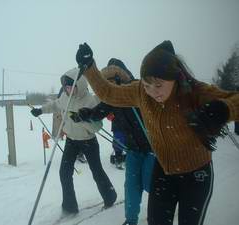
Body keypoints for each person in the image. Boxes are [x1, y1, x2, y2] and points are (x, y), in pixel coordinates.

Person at [75, 41, 239, 225]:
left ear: (175, 78)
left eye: (158, 85)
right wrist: (89, 67)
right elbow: (109, 93)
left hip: (196, 175)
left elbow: (235, 99)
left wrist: (225, 109)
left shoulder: (196, 92)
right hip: (164, 170)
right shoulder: (140, 92)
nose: (152, 91)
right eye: (146, 84)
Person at [71, 58, 155, 225]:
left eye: (111, 83)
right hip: (133, 150)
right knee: (131, 187)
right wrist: (84, 114)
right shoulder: (112, 99)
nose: (108, 89)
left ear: (121, 78)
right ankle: (130, 221)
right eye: (105, 84)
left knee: (150, 184)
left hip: (153, 149)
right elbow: (98, 112)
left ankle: (160, 214)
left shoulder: (139, 90)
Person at [30, 67, 117, 214]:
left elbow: (97, 127)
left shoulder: (90, 100)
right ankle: (70, 206)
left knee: (97, 172)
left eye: (70, 86)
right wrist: (40, 110)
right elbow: (55, 105)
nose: (67, 90)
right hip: (71, 140)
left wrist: (82, 119)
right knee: (64, 172)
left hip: (88, 141)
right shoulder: (65, 97)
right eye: (65, 87)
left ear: (79, 85)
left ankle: (110, 196)